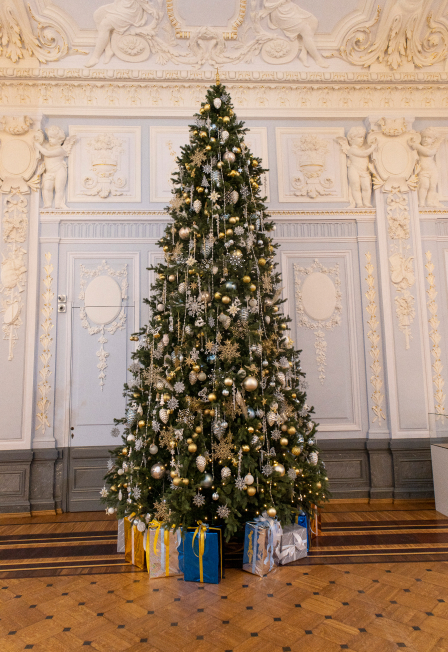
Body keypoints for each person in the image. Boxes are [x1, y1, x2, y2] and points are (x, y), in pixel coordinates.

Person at [259, 0, 328, 67]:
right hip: (280, 13)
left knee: (314, 21)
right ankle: (318, 58)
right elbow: (269, 4)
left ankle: (304, 52)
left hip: (290, 8)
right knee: (305, 30)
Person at [86, 0, 152, 68]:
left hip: (131, 9)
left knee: (104, 25)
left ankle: (95, 56)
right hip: (121, 4)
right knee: (98, 14)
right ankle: (108, 49)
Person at [34, 126, 76, 209]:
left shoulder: (61, 150)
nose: (50, 139)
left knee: (59, 188)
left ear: (60, 140)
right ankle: (47, 204)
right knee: (46, 188)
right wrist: (38, 138)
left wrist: (37, 145)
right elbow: (41, 140)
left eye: (53, 138)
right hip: (48, 172)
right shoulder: (47, 145)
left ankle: (58, 204)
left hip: (59, 170)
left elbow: (47, 153)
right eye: (49, 137)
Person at [337, 127, 377, 208]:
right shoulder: (352, 149)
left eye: (363, 137)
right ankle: (359, 203)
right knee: (356, 187)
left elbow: (366, 149)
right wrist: (373, 147)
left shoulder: (364, 148)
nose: (362, 139)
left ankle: (366, 203)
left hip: (365, 171)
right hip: (354, 170)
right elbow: (364, 154)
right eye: (359, 137)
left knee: (366, 187)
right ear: (352, 139)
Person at [409, 127, 445, 207]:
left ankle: (429, 202)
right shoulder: (419, 148)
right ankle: (421, 203)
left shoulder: (432, 148)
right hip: (423, 171)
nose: (425, 139)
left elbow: (428, 153)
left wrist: (417, 146)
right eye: (424, 137)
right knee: (424, 185)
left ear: (433, 140)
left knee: (432, 186)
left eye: (429, 137)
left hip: (433, 171)